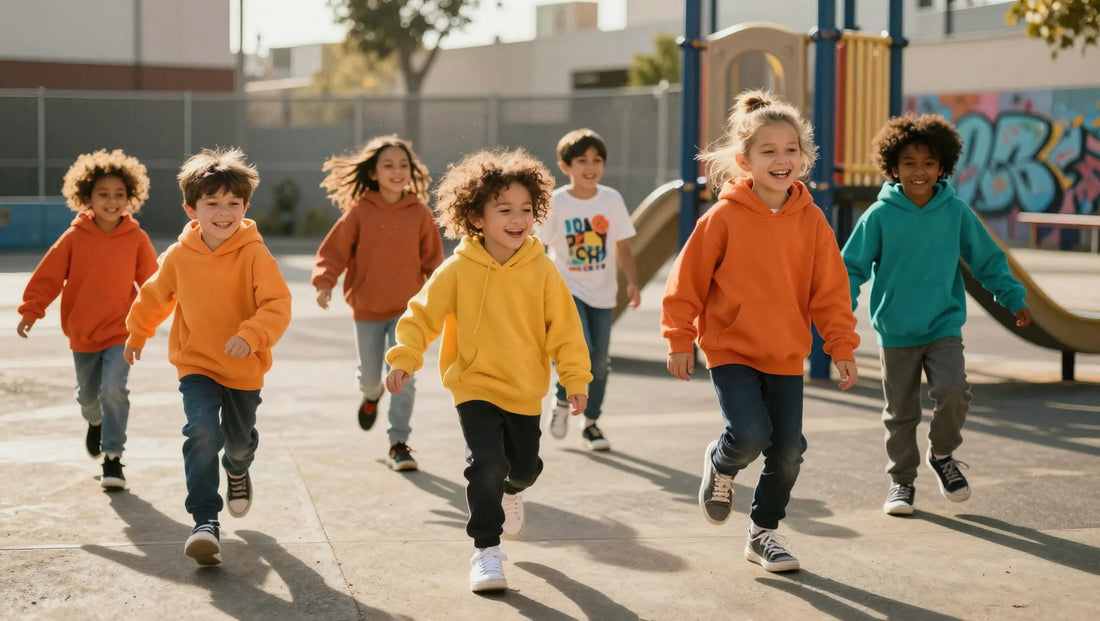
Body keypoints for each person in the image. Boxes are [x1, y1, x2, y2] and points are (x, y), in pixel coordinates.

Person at [662, 89, 860, 573]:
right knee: (750, 433)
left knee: (789, 450)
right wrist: (679, 337)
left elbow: (830, 290)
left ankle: (763, 533)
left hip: (786, 352)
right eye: (768, 151)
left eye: (790, 149)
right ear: (744, 159)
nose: (781, 159)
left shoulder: (813, 221)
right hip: (731, 348)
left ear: (804, 157)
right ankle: (722, 462)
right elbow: (686, 280)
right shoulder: (723, 218)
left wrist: (841, 345)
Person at [383, 148, 592, 593]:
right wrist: (404, 356)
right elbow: (422, 315)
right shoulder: (457, 269)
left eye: (526, 210)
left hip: (523, 389)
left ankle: (513, 491)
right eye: (504, 210)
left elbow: (566, 332)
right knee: (485, 463)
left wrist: (575, 379)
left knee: (523, 468)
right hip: (473, 385)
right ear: (476, 216)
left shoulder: (543, 271)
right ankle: (486, 551)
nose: (517, 219)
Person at [841, 113, 1031, 516]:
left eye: (929, 163)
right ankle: (901, 482)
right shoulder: (879, 216)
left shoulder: (955, 212)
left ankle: (943, 455)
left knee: (954, 390)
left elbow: (987, 259)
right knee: (901, 413)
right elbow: (851, 268)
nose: (919, 171)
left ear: (943, 166)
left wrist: (1012, 297)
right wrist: (838, 312)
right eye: (909, 163)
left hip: (943, 324)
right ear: (893, 167)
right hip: (896, 329)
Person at [124, 147, 292, 566]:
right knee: (201, 433)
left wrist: (252, 334)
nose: (223, 212)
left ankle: (238, 468)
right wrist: (138, 332)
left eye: (233, 204)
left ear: (245, 206)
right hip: (196, 362)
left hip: (243, 368)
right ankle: (204, 520)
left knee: (236, 442)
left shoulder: (255, 253)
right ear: (191, 209)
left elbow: (277, 304)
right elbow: (154, 295)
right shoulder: (180, 256)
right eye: (212, 204)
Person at [17, 149, 158, 490]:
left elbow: (155, 283)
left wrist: (168, 315)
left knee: (114, 388)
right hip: (82, 333)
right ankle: (95, 422)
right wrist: (31, 310)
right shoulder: (74, 237)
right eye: (103, 195)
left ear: (131, 198)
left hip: (119, 332)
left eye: (119, 195)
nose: (112, 202)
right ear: (87, 197)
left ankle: (113, 459)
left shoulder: (137, 239)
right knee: (88, 397)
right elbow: (48, 276)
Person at [312, 135, 444, 471]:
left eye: (403, 165)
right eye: (388, 165)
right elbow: (334, 252)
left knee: (404, 376)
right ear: (373, 173)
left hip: (408, 313)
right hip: (367, 310)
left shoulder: (419, 213)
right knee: (373, 379)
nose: (397, 171)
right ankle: (371, 396)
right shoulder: (359, 212)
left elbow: (434, 263)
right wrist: (325, 282)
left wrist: (445, 296)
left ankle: (398, 442)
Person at [538, 128, 640, 451]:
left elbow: (623, 246)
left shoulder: (611, 200)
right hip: (566, 289)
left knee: (599, 360)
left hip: (603, 292)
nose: (590, 166)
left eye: (597, 160)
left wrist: (633, 282)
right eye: (582, 160)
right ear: (566, 166)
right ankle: (562, 400)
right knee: (578, 349)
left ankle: (591, 423)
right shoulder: (557, 203)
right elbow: (537, 248)